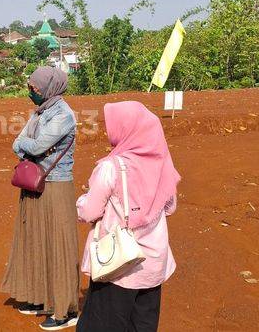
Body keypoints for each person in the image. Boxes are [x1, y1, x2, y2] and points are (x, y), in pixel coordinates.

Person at [75, 101, 180, 332]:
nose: (108, 130)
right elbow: (170, 207)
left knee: (104, 323)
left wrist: (82, 199)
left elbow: (90, 211)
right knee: (143, 323)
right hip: (153, 263)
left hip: (119, 265)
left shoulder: (111, 167)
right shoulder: (163, 164)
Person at [0, 66, 80, 331]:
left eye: (34, 88)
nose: (30, 92)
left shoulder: (63, 115)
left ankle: (65, 310)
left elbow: (33, 145)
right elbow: (18, 143)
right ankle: (39, 298)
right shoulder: (41, 112)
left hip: (55, 186)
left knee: (58, 245)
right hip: (34, 185)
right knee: (34, 240)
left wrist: (25, 144)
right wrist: (25, 143)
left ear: (48, 88)